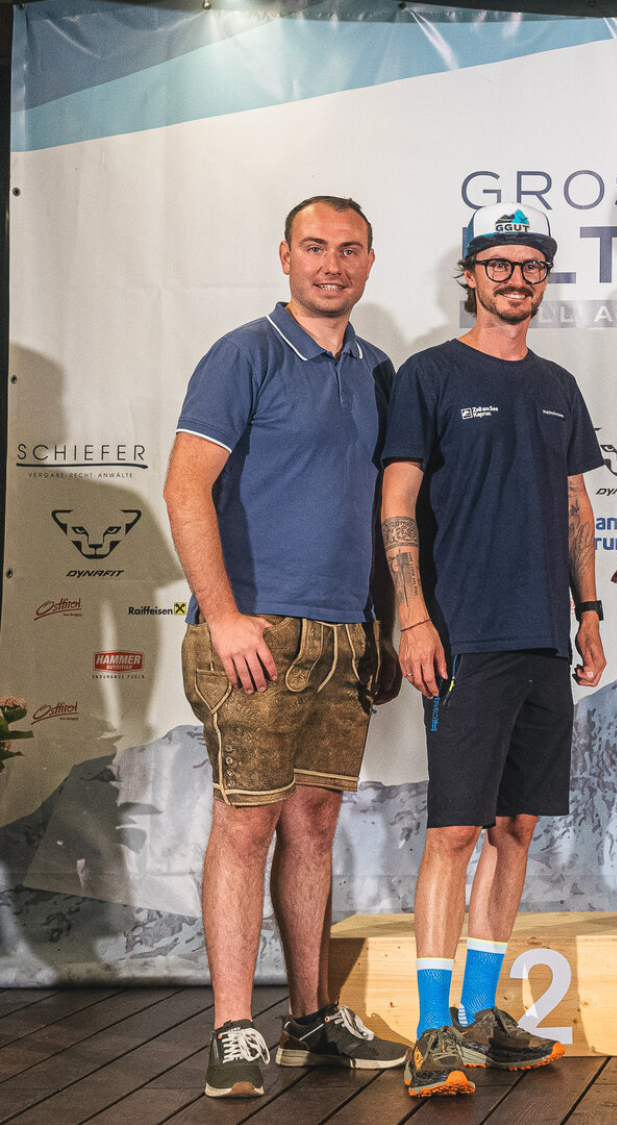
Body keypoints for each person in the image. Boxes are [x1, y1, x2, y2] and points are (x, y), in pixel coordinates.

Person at [164, 196, 408, 1099]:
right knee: (246, 820)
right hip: (256, 631)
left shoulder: (379, 370)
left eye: (349, 249)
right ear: (284, 256)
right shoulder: (245, 353)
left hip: (345, 637)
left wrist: (381, 622)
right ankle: (234, 1027)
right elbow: (185, 486)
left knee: (313, 822)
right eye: (315, 247)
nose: (331, 264)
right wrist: (224, 615)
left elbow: (384, 511)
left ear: (370, 262)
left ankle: (309, 1020)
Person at [379, 203, 605, 1097]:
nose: (516, 278)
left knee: (514, 828)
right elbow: (397, 497)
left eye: (531, 265)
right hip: (463, 635)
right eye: (498, 264)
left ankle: (478, 1015)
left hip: (546, 635)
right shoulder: (429, 375)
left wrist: (588, 611)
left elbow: (575, 503)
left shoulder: (556, 383)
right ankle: (432, 1033)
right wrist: (412, 612)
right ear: (469, 274)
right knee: (455, 830)